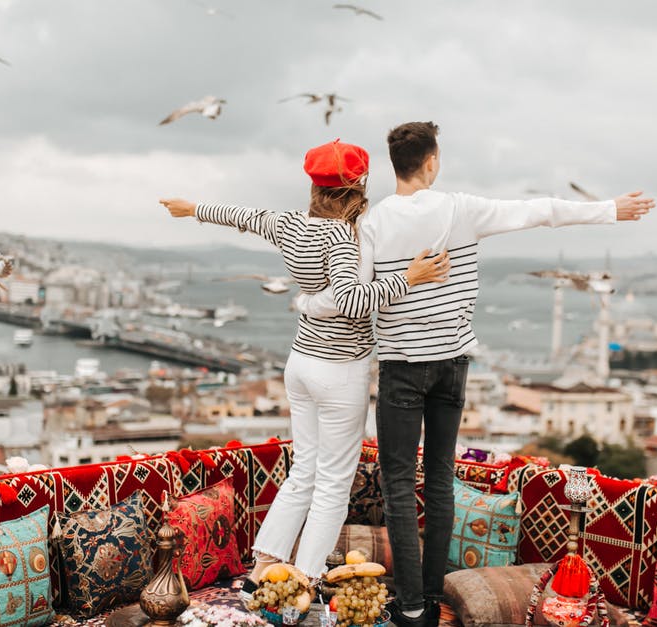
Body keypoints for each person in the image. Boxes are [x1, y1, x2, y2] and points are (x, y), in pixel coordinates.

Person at [298, 122, 653, 627]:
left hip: (402, 366)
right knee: (440, 477)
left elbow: (354, 297)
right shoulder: (461, 209)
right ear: (431, 162)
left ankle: (412, 606)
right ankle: (433, 594)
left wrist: (306, 301)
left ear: (395, 165)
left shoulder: (374, 224)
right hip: (452, 365)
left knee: (399, 484)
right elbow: (540, 212)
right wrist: (609, 210)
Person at [158, 139, 451, 594]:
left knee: (304, 471)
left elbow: (245, 217)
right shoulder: (342, 237)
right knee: (333, 482)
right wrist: (408, 278)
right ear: (360, 183)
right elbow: (353, 302)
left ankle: (263, 568)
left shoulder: (291, 224)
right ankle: (303, 579)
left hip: (300, 364)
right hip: (339, 370)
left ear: (313, 184)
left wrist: (192, 208)